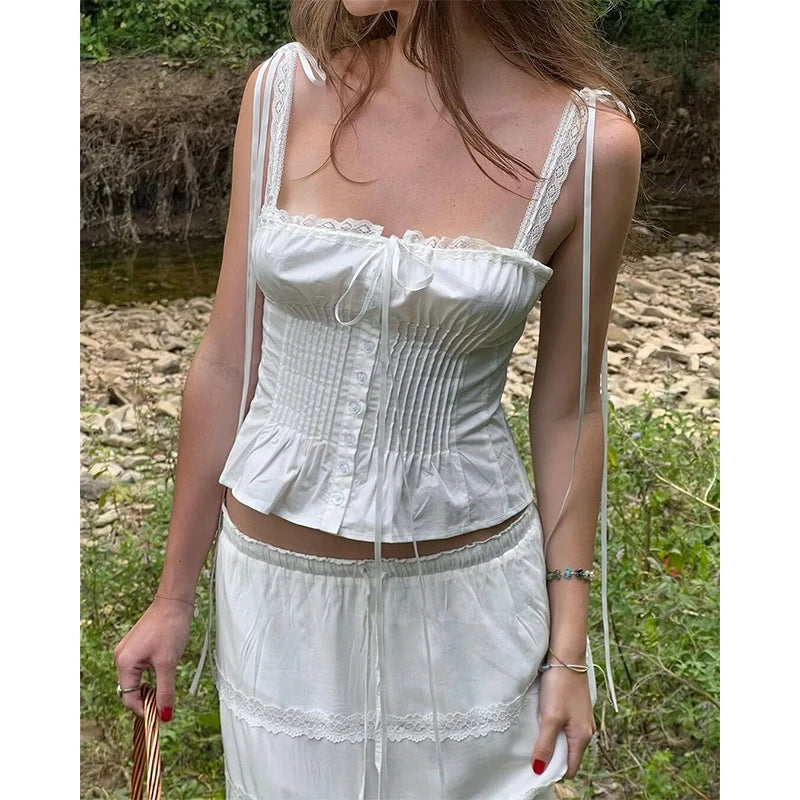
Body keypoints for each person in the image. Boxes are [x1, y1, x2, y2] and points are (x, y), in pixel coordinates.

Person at [113, 1, 641, 797]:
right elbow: (227, 362)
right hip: (276, 611)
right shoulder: (283, 92)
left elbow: (570, 407)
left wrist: (568, 644)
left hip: (467, 619)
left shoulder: (593, 148)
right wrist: (172, 597)